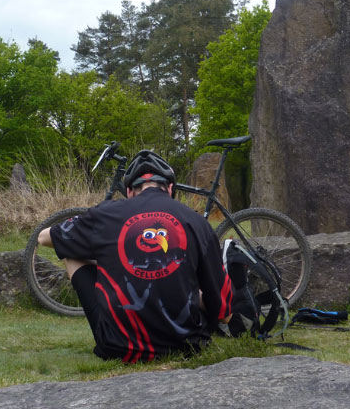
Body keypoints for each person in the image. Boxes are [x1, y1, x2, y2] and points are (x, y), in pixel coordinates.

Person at [38, 150, 233, 362]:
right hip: (188, 346)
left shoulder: (106, 213)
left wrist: (105, 257)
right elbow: (225, 315)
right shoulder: (197, 222)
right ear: (170, 189)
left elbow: (43, 237)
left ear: (130, 191)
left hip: (120, 348)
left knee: (70, 250)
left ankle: (121, 334)